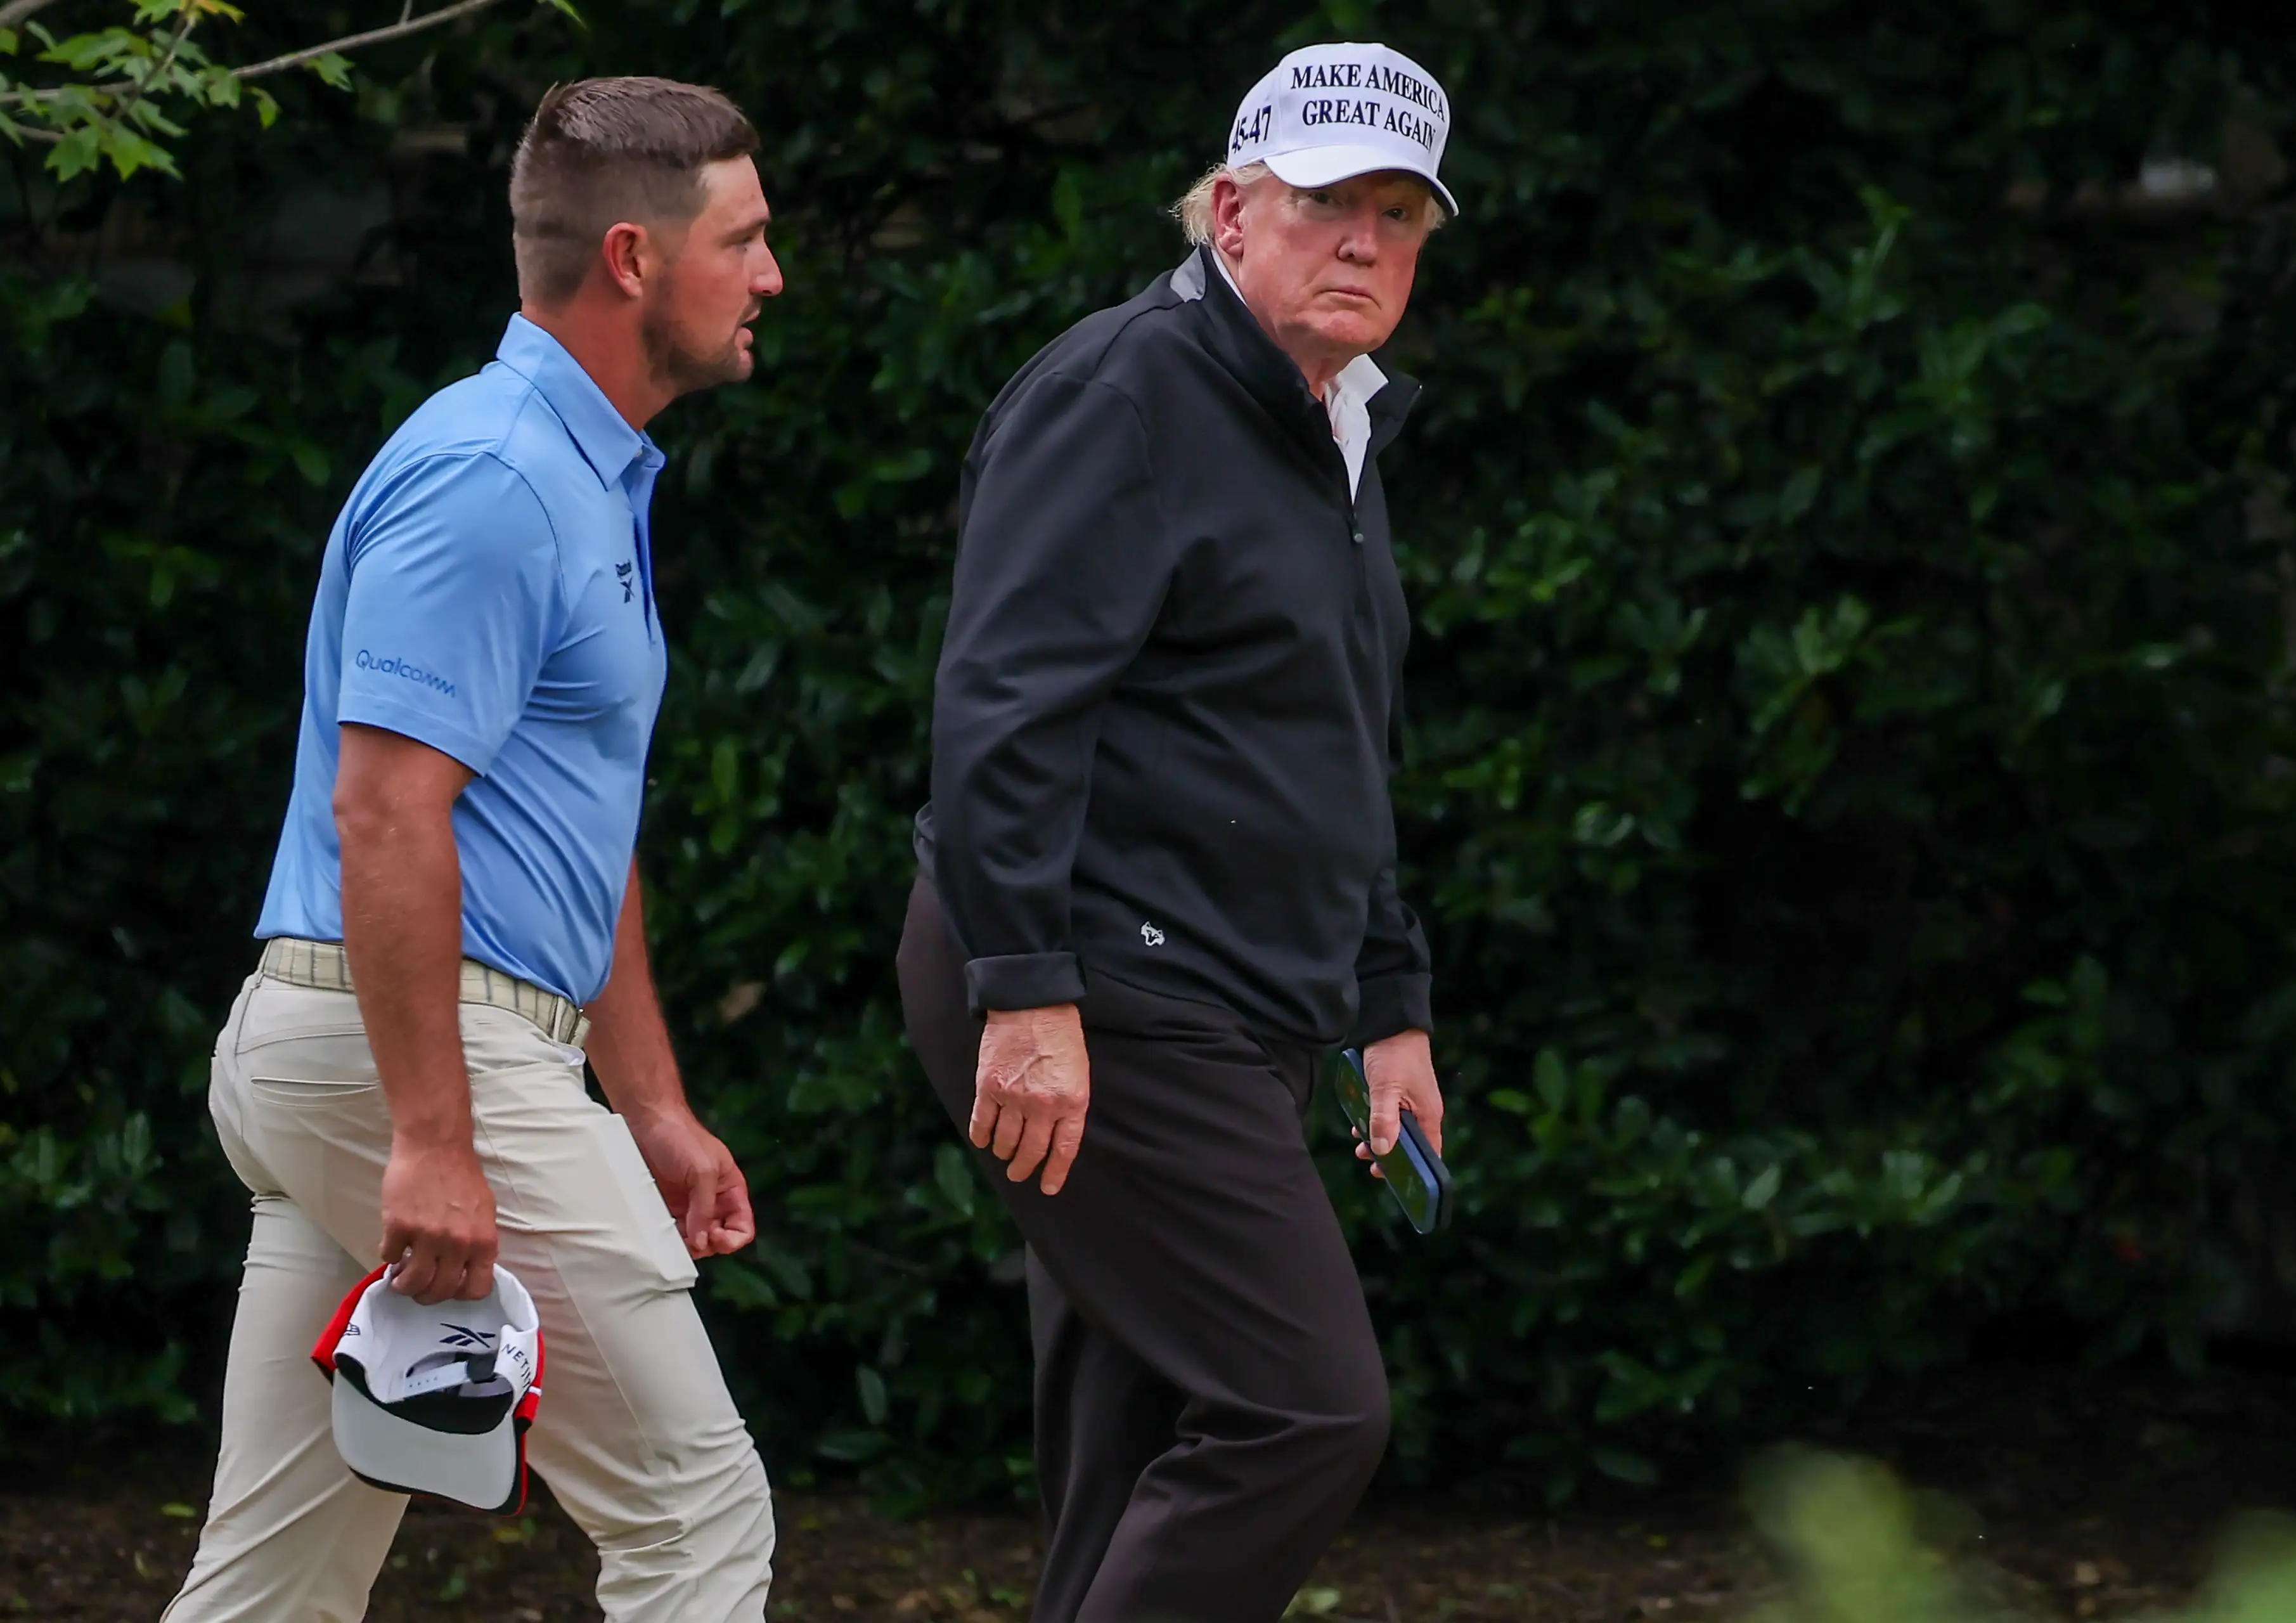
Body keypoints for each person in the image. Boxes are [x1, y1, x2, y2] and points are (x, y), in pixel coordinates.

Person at [165, 77, 785, 1623]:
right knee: (698, 1517)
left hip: (394, 1045)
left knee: (273, 1587)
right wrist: (436, 1135)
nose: (773, 274)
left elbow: (582, 818)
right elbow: (384, 811)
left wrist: (648, 1100)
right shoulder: (495, 477)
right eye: (748, 238)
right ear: (634, 259)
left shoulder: (585, 476)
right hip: (416, 1050)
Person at [896, 41, 1459, 1623]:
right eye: (1325, 200)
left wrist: (1388, 1000)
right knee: (1306, 1408)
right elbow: (1004, 707)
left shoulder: (1329, 422)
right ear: (1230, 208)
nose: (1364, 240)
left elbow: (1332, 738)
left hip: (1221, 997)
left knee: (1135, 1435)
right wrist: (1024, 986)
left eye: (1400, 213)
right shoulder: (1123, 392)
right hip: (1100, 987)